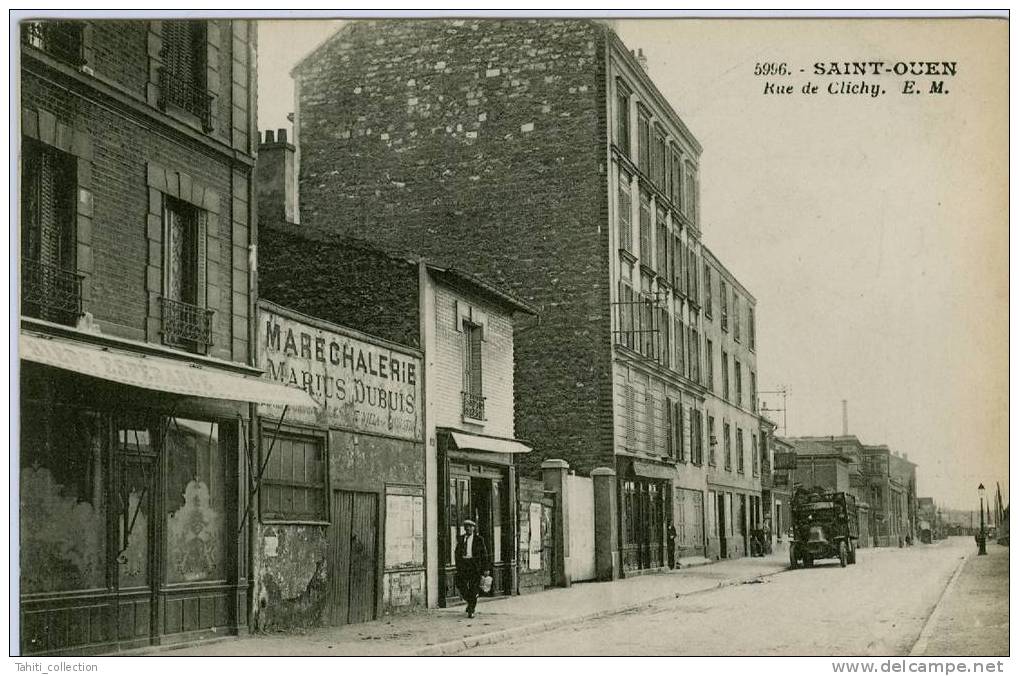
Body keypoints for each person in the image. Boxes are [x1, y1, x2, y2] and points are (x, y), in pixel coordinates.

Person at [454, 519, 489, 618]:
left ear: (473, 528)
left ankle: (471, 609)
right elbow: (457, 552)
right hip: (463, 565)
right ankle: (470, 601)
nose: (468, 528)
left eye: (470, 526)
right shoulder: (460, 539)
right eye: (466, 526)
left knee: (474, 588)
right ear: (464, 528)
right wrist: (458, 565)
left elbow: (484, 554)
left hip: (474, 566)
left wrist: (486, 568)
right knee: (460, 583)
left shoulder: (479, 539)